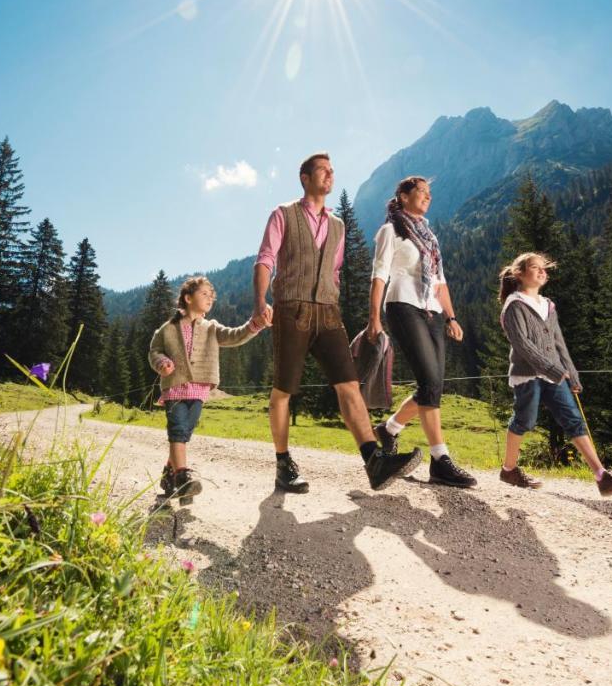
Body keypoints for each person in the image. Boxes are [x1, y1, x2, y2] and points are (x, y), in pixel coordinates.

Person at [253, 153, 423, 493]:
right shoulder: (283, 214)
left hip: (328, 313)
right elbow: (266, 259)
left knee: (348, 384)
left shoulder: (338, 225)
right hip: (293, 309)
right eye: (322, 171)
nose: (330, 175)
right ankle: (283, 462)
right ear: (304, 177)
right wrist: (261, 301)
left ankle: (374, 461)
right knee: (284, 390)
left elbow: (334, 270)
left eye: (332, 171)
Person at [497, 252, 612, 496]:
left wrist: (571, 373)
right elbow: (521, 344)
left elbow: (558, 342)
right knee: (525, 421)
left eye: (544, 269)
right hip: (528, 375)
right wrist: (552, 368)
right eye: (535, 268)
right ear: (519, 273)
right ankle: (508, 469)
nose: (542, 272)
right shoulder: (514, 305)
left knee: (574, 420)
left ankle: (602, 477)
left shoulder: (548, 305)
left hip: (556, 374)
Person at [367, 176, 477, 488]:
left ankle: (388, 430)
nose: (428, 197)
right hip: (402, 305)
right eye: (421, 192)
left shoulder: (429, 237)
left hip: (432, 311)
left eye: (430, 193)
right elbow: (379, 276)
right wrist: (373, 318)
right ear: (402, 196)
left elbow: (440, 282)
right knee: (429, 382)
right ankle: (440, 460)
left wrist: (452, 317)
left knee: (433, 386)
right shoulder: (391, 230)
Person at [148, 276, 265, 499]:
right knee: (178, 431)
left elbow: (234, 336)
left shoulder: (212, 327)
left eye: (212, 295)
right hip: (174, 388)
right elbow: (154, 351)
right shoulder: (168, 328)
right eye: (204, 294)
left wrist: (254, 325)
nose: (210, 298)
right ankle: (182, 477)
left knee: (184, 433)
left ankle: (168, 474)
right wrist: (161, 362)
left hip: (199, 391)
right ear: (188, 298)